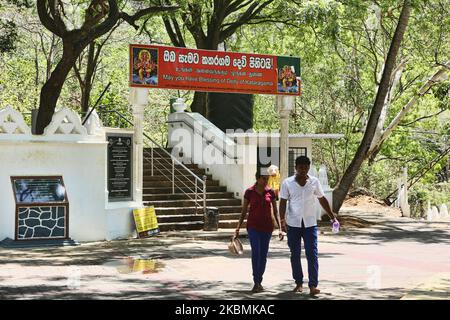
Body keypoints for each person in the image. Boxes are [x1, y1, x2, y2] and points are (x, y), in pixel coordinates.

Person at [279, 156, 338, 296]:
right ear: (296, 167)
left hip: (310, 224)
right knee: (295, 254)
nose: (303, 170)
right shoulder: (287, 183)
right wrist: (282, 220)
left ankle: (313, 285)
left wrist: (331, 215)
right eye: (301, 167)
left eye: (306, 167)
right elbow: (282, 202)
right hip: (293, 224)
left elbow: (322, 199)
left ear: (309, 167)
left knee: (312, 254)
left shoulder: (314, 182)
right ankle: (298, 283)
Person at [234, 170, 283, 293]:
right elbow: (244, 210)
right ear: (257, 178)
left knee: (263, 255)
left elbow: (275, 211)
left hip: (267, 227)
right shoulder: (249, 192)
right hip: (253, 226)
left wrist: (280, 228)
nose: (266, 181)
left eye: (267, 178)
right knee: (256, 253)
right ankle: (256, 281)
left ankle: (259, 280)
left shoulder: (270, 192)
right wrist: (238, 227)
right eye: (264, 178)